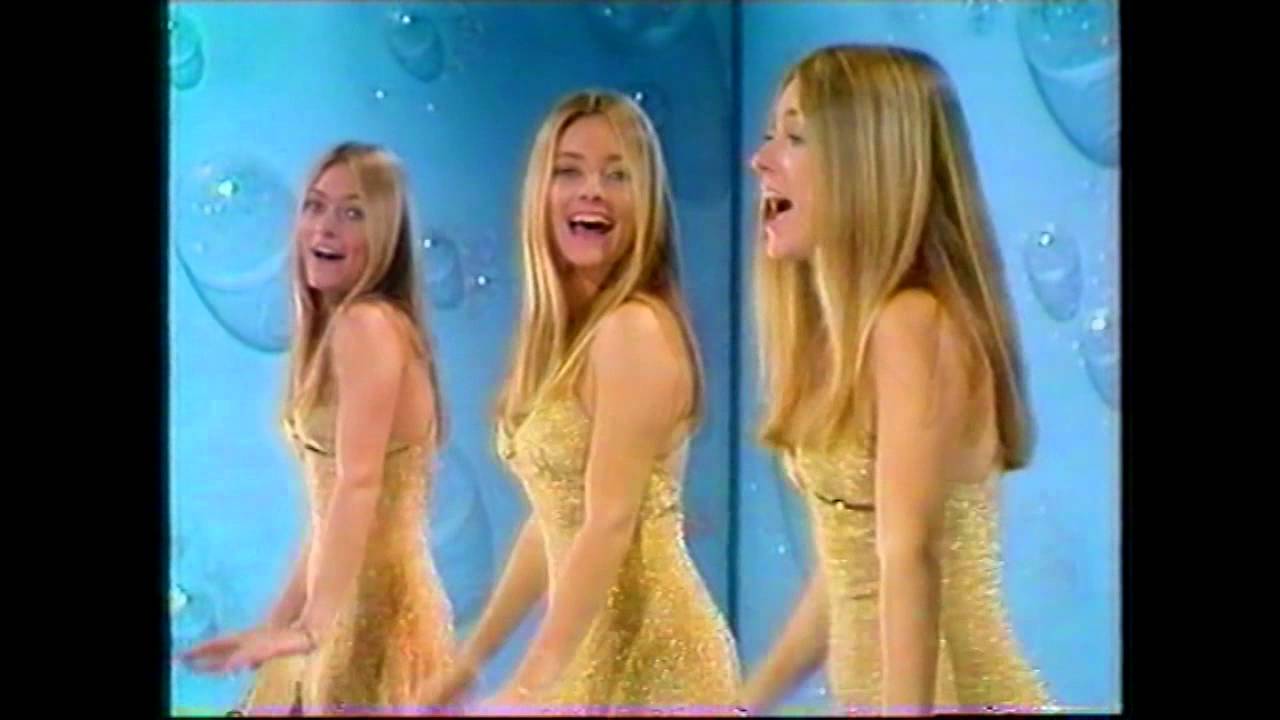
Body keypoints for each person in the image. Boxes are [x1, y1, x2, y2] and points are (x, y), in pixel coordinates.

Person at [738, 45, 1053, 715]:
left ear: (870, 164)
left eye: (796, 137)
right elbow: (849, 575)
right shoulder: (851, 338)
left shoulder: (913, 324)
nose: (760, 160)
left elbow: (912, 559)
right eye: (769, 135)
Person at [420, 90, 739, 714]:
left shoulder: (632, 330)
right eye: (569, 171)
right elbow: (555, 518)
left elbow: (609, 523)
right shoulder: (569, 339)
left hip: (656, 668)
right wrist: (470, 663)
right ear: (540, 193)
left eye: (618, 175)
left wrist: (529, 685)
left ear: (647, 202)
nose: (592, 191)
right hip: (591, 656)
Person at [182, 142, 455, 715]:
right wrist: (273, 632)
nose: (325, 228)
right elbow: (328, 517)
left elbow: (359, 485)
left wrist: (308, 630)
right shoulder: (352, 329)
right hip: (354, 607)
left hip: (368, 617)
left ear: (384, 235)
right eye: (315, 205)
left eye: (353, 212)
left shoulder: (366, 325)